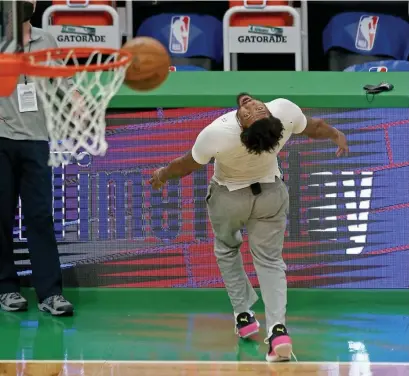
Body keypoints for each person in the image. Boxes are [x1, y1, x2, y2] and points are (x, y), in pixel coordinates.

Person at [149, 93, 349, 362]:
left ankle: (243, 315)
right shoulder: (283, 111)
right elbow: (314, 127)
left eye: (251, 110)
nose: (250, 105)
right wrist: (335, 134)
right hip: (270, 195)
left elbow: (186, 165)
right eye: (251, 108)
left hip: (228, 198)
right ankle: (278, 330)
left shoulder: (217, 133)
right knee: (270, 261)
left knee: (227, 248)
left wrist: (162, 174)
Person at [0, 0, 77, 316]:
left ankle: (50, 294)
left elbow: (62, 83)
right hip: (1, 138)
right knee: (2, 216)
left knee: (40, 216)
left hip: (36, 140)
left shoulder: (46, 40)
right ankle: (6, 288)